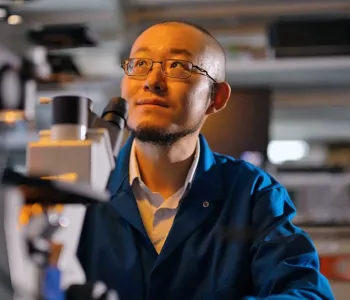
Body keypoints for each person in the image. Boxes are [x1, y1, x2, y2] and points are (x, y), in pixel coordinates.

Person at [77, 21, 334, 300]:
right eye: (140, 63)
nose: (152, 81)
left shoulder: (252, 194)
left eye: (178, 66)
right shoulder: (78, 185)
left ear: (216, 97)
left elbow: (308, 295)